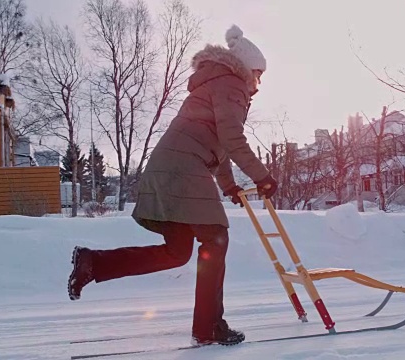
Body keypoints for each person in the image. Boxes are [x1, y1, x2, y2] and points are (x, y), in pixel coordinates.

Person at [66, 24, 278, 346]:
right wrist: (263, 176)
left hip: (167, 167)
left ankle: (92, 263)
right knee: (216, 238)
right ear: (246, 68)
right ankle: (209, 329)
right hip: (184, 169)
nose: (258, 85)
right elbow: (233, 139)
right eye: (258, 75)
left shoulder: (212, 84)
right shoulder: (232, 84)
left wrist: (229, 186)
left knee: (177, 252)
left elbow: (216, 142)